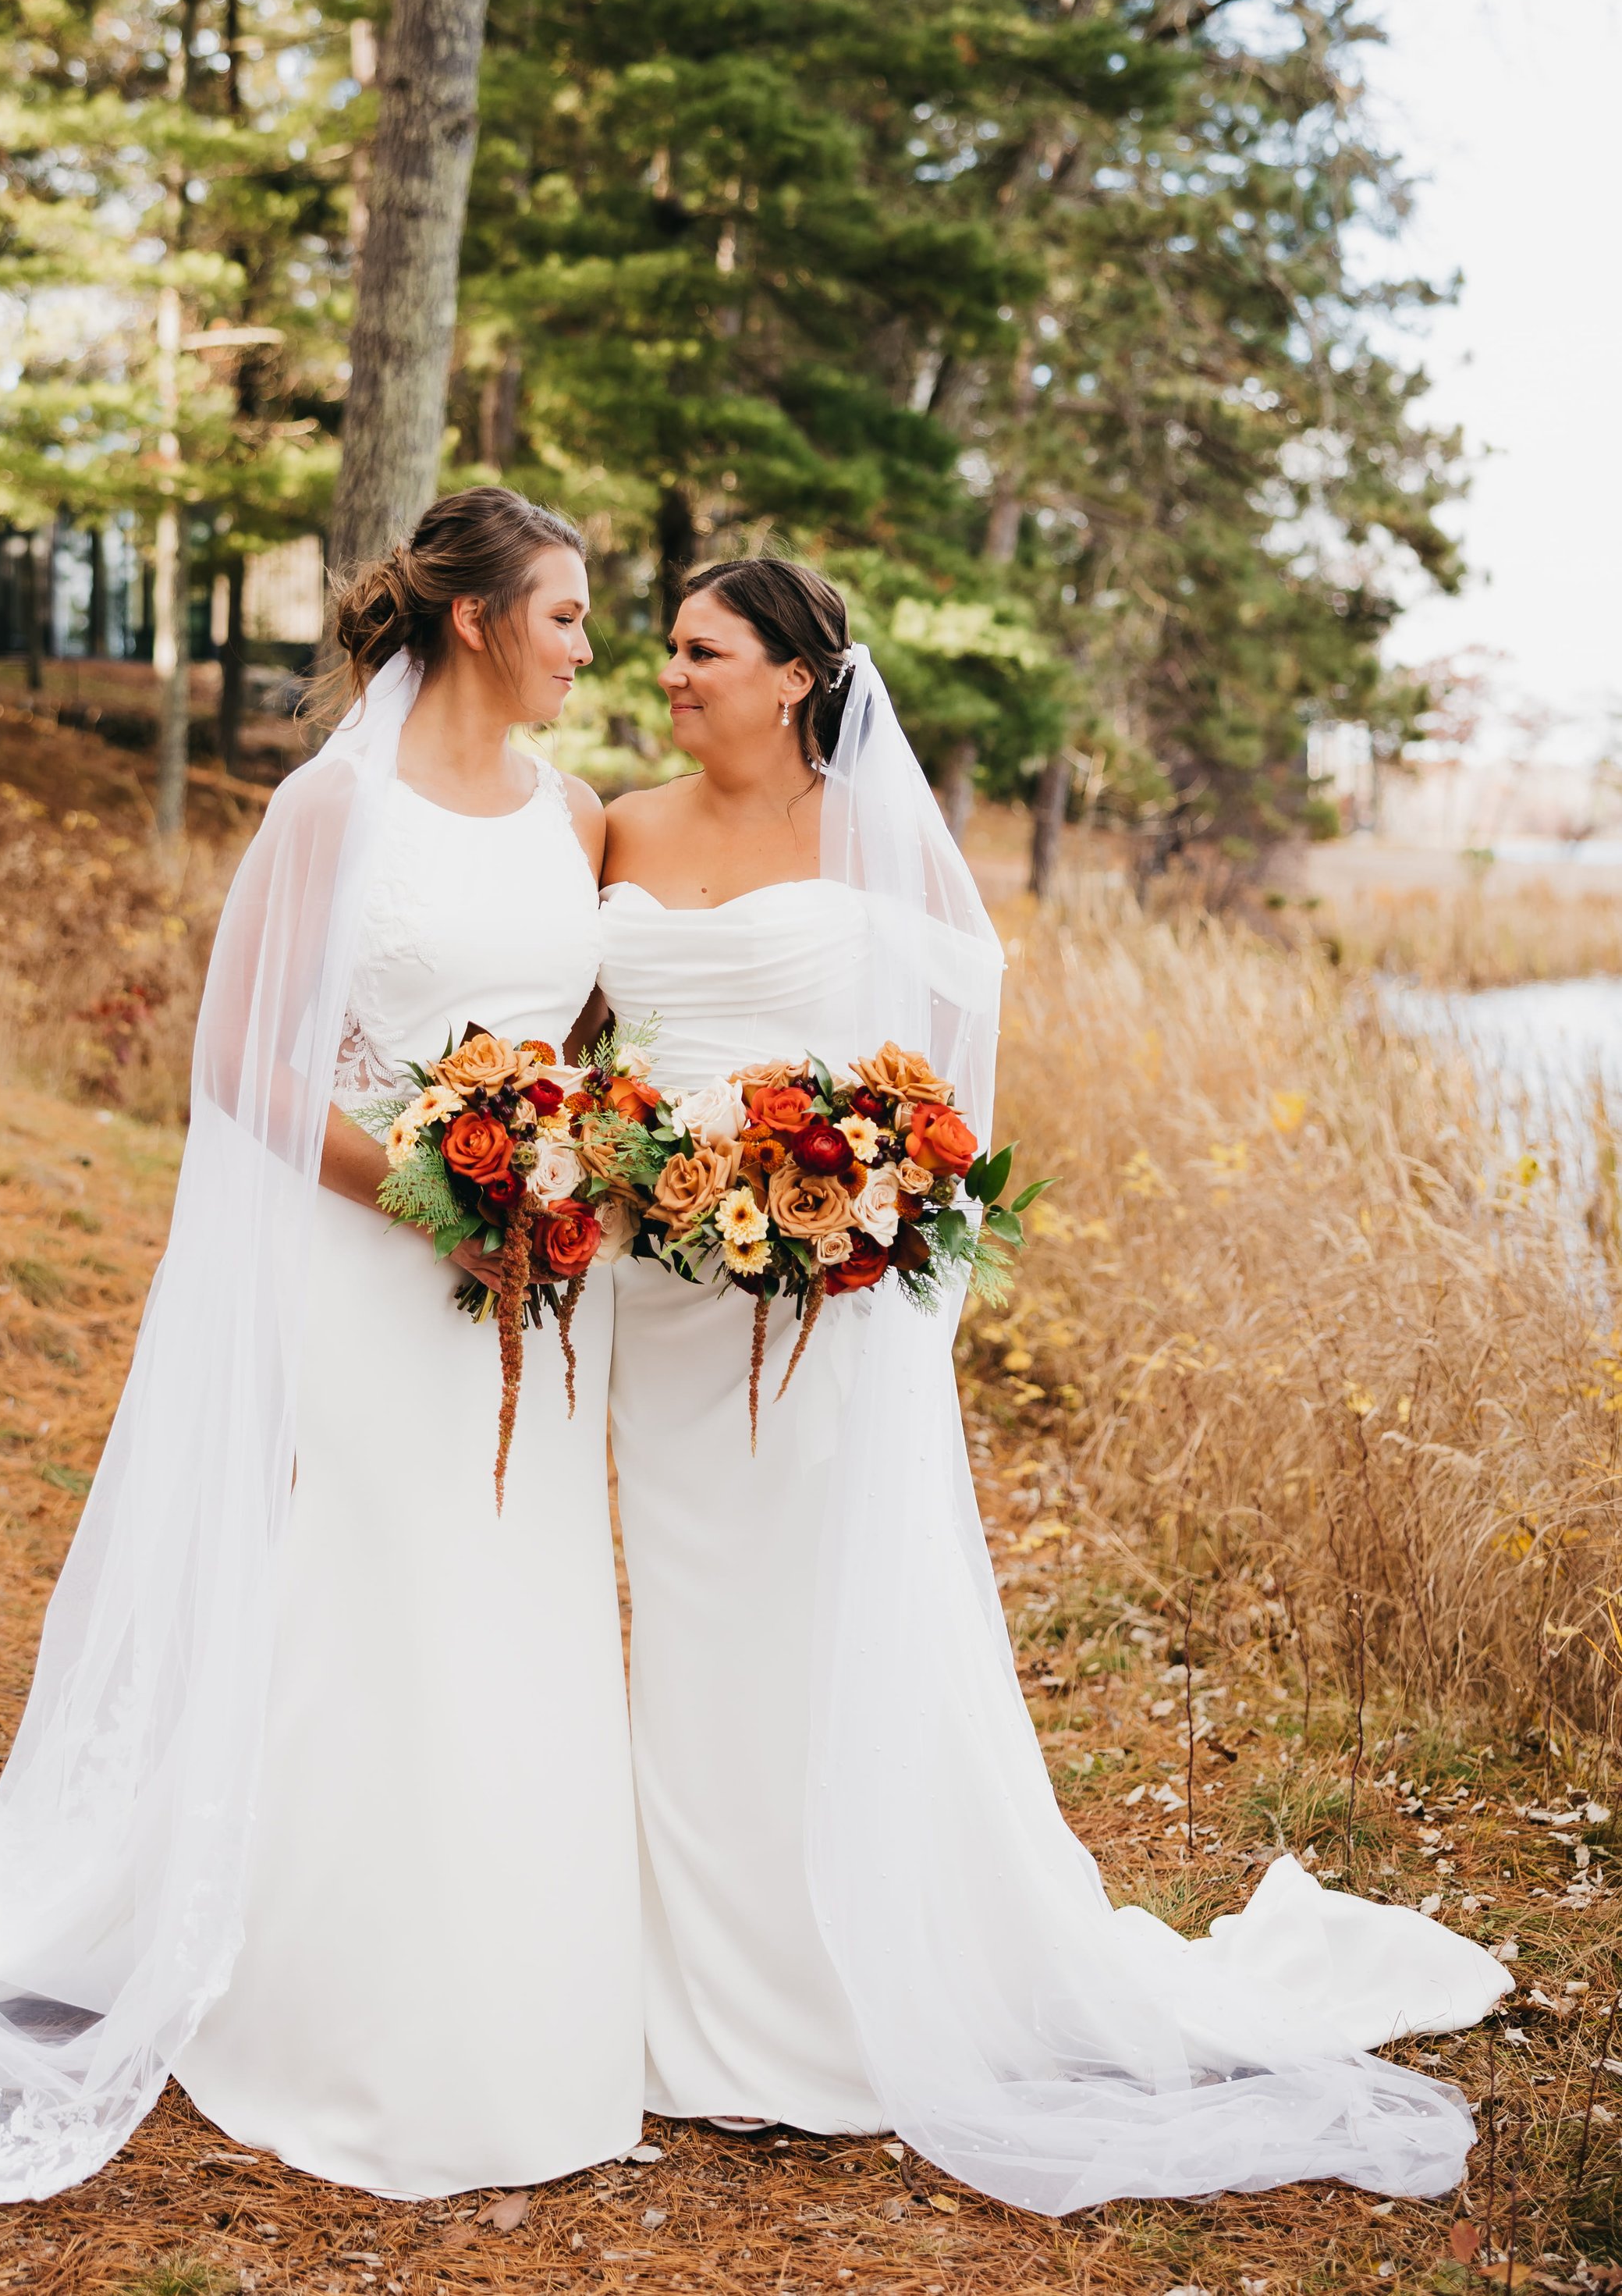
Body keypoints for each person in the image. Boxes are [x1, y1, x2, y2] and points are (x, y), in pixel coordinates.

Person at [0, 487, 643, 2205]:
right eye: (566, 613)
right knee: (369, 1595)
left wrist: (565, 1174)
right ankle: (310, 1974)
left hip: (524, 1291)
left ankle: (499, 1966)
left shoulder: (573, 814)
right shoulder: (333, 807)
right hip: (373, 1266)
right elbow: (246, 1068)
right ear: (481, 619)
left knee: (504, 1594)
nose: (589, 643)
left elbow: (577, 1033)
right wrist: (433, 1195)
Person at [598, 554, 1510, 2216]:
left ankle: (829, 1986)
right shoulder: (620, 826)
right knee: (683, 1619)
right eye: (664, 649)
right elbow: (587, 1029)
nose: (668, 673)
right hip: (658, 1296)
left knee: (811, 1617)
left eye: (699, 651)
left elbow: (952, 1044)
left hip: (820, 1304)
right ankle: (683, 1993)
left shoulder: (873, 840)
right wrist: (619, 1156)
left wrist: (874, 1183)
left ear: (795, 675)